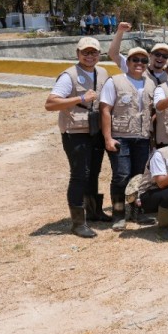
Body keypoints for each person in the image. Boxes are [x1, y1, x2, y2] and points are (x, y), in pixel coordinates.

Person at [44, 36, 113, 237]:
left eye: (93, 52)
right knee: (79, 175)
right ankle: (77, 222)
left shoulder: (103, 72)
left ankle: (94, 211)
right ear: (77, 54)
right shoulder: (69, 76)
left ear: (99, 54)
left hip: (95, 129)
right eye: (85, 52)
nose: (89, 56)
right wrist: (81, 98)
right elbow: (50, 103)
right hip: (75, 132)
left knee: (94, 173)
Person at [101, 46, 157, 229]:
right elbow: (105, 110)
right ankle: (118, 213)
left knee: (138, 177)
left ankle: (136, 212)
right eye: (135, 60)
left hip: (141, 137)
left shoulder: (150, 83)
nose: (139, 64)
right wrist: (108, 138)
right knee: (121, 176)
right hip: (121, 136)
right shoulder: (115, 81)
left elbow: (151, 111)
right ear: (128, 62)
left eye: (143, 61)